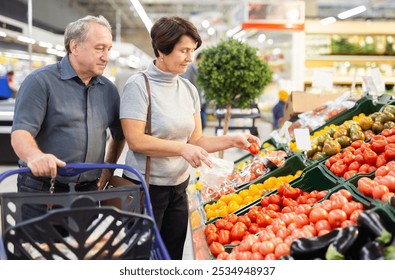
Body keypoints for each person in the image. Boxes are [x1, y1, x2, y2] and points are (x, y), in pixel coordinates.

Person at [120, 16, 261, 260]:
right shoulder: (139, 86)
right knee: (141, 259)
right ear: (161, 50)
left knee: (172, 256)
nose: (189, 58)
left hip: (178, 187)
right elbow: (136, 141)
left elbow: (196, 140)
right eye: (183, 50)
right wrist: (181, 149)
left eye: (192, 51)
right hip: (145, 189)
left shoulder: (188, 89)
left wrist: (233, 139)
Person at [11, 15, 125, 221]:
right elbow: (21, 132)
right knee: (36, 251)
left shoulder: (108, 90)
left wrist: (108, 170)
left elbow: (119, 134)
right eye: (99, 48)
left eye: (108, 49)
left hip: (87, 192)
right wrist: (34, 156)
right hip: (42, 190)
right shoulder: (40, 82)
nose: (106, 57)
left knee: (80, 250)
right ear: (74, 46)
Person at [181, 52, 206, 129]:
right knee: (198, 126)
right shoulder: (188, 70)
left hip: (202, 102)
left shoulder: (201, 71)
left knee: (202, 125)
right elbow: (185, 87)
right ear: (198, 59)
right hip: (192, 104)